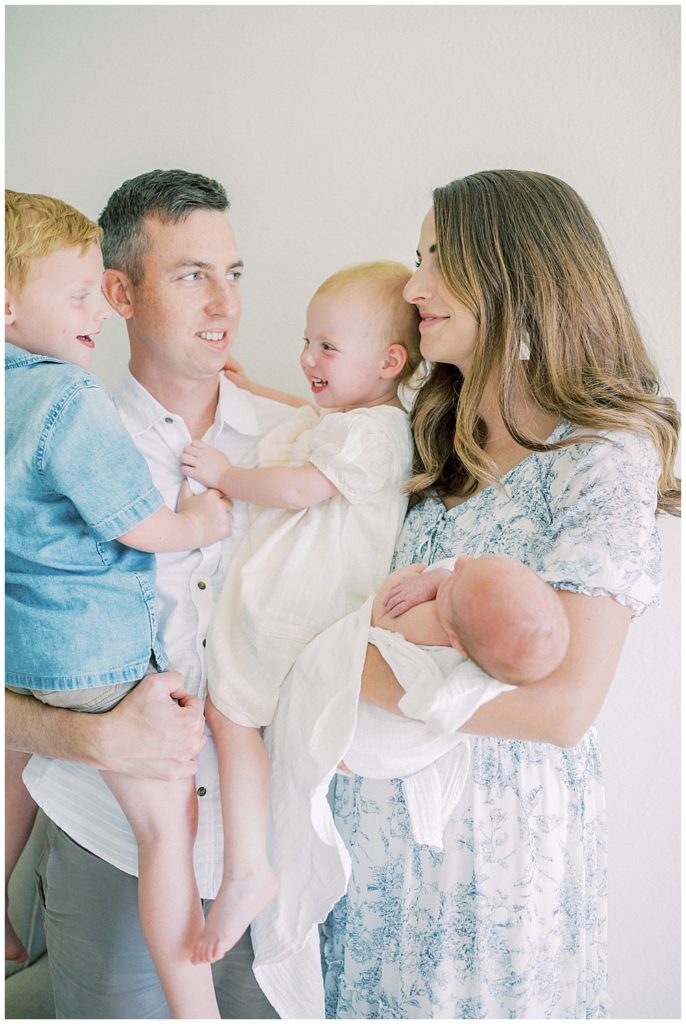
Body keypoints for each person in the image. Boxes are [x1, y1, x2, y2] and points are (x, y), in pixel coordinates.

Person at [316, 170, 680, 1019]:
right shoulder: (428, 435)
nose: (413, 287)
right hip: (368, 831)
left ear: (516, 270)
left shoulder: (599, 455)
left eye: (440, 256)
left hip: (494, 849)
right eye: (417, 258)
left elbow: (560, 707)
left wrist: (341, 674)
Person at [4, 169, 294, 1019]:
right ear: (117, 293)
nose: (224, 304)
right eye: (191, 275)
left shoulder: (297, 449)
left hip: (270, 853)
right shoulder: (60, 434)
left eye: (233, 274)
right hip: (100, 839)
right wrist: (84, 736)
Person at [179, 261, 421, 964]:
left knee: (233, 715)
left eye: (327, 348)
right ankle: (249, 866)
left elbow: (295, 486)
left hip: (305, 612)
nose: (308, 358)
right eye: (308, 342)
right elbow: (312, 425)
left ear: (388, 361)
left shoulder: (372, 434)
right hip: (307, 610)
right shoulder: (360, 421)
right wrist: (258, 393)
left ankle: (247, 868)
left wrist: (225, 476)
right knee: (237, 719)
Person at [374, 552, 570, 684]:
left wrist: (430, 577)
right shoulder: (475, 626)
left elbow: (381, 618)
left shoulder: (436, 626)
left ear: (457, 643)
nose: (461, 560)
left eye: (454, 577)